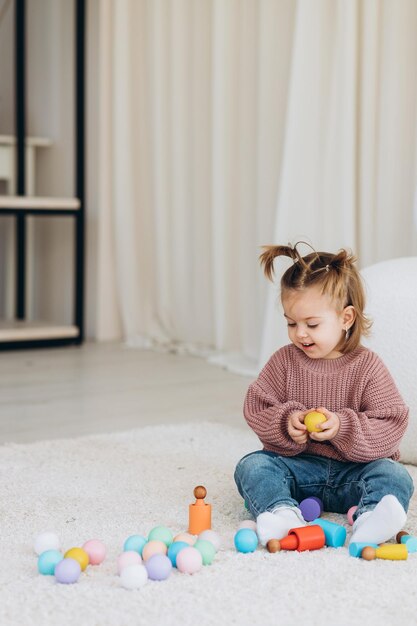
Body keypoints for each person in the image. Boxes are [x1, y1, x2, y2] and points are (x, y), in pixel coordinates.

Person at [234, 242, 414, 546]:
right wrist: (286, 421)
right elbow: (257, 406)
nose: (300, 333)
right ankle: (282, 512)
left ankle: (371, 518)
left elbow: (391, 424)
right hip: (299, 471)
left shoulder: (366, 366)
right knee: (252, 466)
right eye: (291, 323)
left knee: (395, 475)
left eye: (312, 324)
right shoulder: (284, 361)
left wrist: (343, 426)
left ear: (346, 319)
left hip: (354, 474)